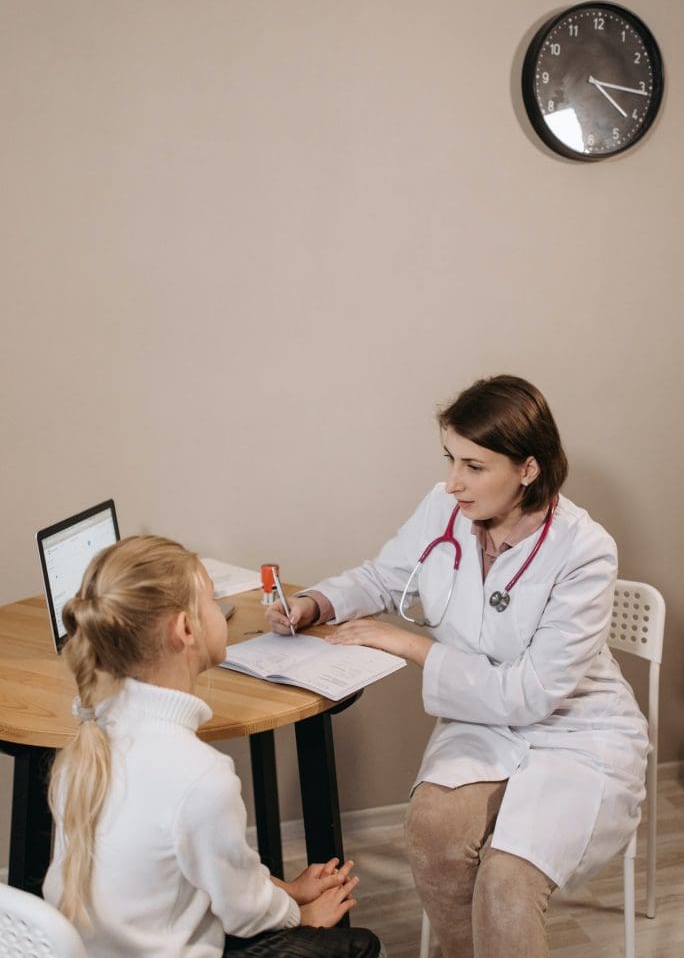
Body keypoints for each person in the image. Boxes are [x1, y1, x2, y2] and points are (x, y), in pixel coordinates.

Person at [267, 374, 648, 958]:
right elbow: (385, 576)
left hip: (574, 732)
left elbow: (531, 694)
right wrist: (314, 603)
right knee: (432, 832)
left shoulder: (585, 550)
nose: (452, 482)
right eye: (451, 459)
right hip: (480, 721)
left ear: (527, 469)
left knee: (507, 879)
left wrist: (411, 646)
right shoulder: (445, 508)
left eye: (474, 466)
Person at [43, 535, 383, 958]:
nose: (220, 609)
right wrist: (303, 916)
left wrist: (288, 890)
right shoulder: (199, 774)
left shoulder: (91, 739)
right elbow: (242, 911)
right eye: (213, 599)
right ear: (185, 629)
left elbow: (205, 869)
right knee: (360, 946)